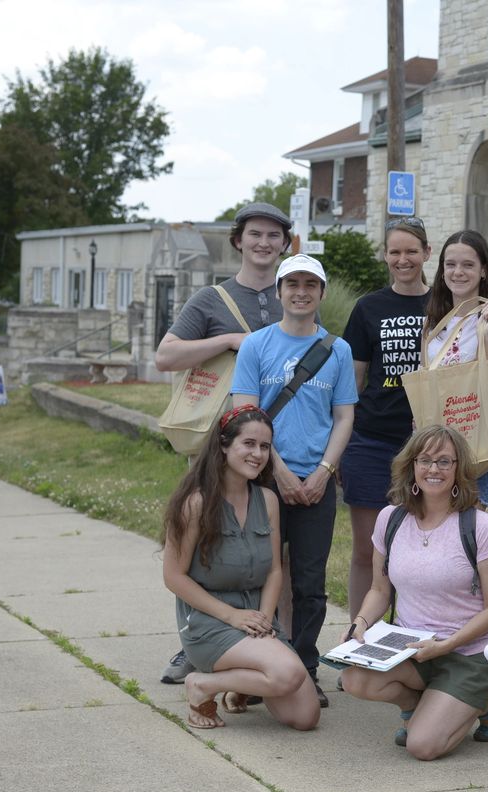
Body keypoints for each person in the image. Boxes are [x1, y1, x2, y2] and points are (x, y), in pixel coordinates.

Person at [155, 201, 291, 685]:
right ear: (238, 240)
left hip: (277, 446)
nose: (263, 243)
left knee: (272, 556)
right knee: (204, 547)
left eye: (273, 236)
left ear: (285, 244)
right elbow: (166, 355)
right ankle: (193, 644)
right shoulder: (212, 300)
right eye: (255, 234)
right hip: (222, 449)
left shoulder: (292, 295)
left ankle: (272, 640)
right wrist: (230, 340)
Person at [337, 426, 488, 760]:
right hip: (411, 646)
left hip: (470, 652)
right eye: (426, 460)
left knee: (422, 746)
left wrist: (446, 645)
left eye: (445, 461)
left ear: (459, 469)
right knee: (354, 679)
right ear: (412, 466)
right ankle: (417, 706)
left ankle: (487, 702)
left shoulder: (481, 526)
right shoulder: (390, 519)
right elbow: (379, 589)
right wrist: (359, 623)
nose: (434, 469)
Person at [232, 253, 357, 708]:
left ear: (321, 292)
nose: (301, 292)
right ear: (279, 291)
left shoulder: (337, 350)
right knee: (256, 574)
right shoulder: (256, 345)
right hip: (262, 480)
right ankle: (256, 666)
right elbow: (245, 415)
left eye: (310, 285)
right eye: (292, 284)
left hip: (316, 483)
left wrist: (324, 472)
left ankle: (304, 667)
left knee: (309, 581)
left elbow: (344, 416)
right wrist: (278, 471)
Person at [161, 404, 320, 731]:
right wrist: (233, 616)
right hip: (210, 622)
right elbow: (174, 577)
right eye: (248, 444)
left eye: (265, 446)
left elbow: (274, 570)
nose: (258, 454)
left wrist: (265, 619)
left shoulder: (268, 500)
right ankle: (202, 684)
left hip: (256, 619)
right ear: (224, 445)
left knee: (305, 717)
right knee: (287, 673)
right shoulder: (196, 502)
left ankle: (240, 681)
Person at [339, 217, 432, 616]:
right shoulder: (368, 308)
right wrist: (341, 445)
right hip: (372, 441)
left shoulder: (445, 305)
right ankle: (358, 637)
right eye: (394, 252)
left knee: (421, 553)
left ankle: (409, 635)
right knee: (368, 550)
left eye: (411, 251)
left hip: (429, 446)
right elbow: (352, 383)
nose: (402, 259)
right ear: (385, 255)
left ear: (427, 253)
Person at [422, 230, 488, 505]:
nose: (458, 272)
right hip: (434, 444)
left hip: (476, 443)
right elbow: (426, 381)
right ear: (442, 270)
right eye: (450, 264)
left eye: (468, 265)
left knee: (468, 524)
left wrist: (484, 337)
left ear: (483, 270)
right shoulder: (432, 323)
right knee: (431, 521)